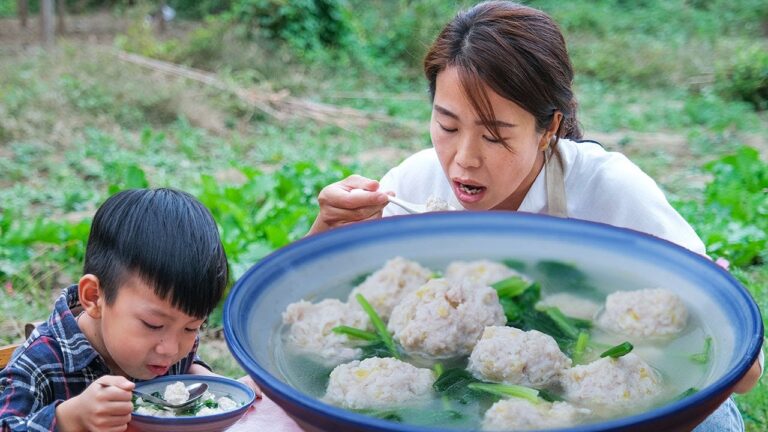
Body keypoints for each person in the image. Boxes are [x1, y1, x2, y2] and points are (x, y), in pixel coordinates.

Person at [307, 1, 762, 430]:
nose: (463, 159)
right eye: (447, 126)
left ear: (550, 130)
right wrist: (326, 234)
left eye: (494, 136)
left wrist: (634, 353)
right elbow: (310, 301)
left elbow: (742, 370)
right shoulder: (412, 186)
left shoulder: (610, 191)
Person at [0, 188, 258, 432]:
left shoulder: (172, 344)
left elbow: (186, 360)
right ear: (94, 297)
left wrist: (206, 381)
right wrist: (69, 418)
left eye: (192, 327)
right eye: (153, 325)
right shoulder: (40, 365)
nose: (171, 350)